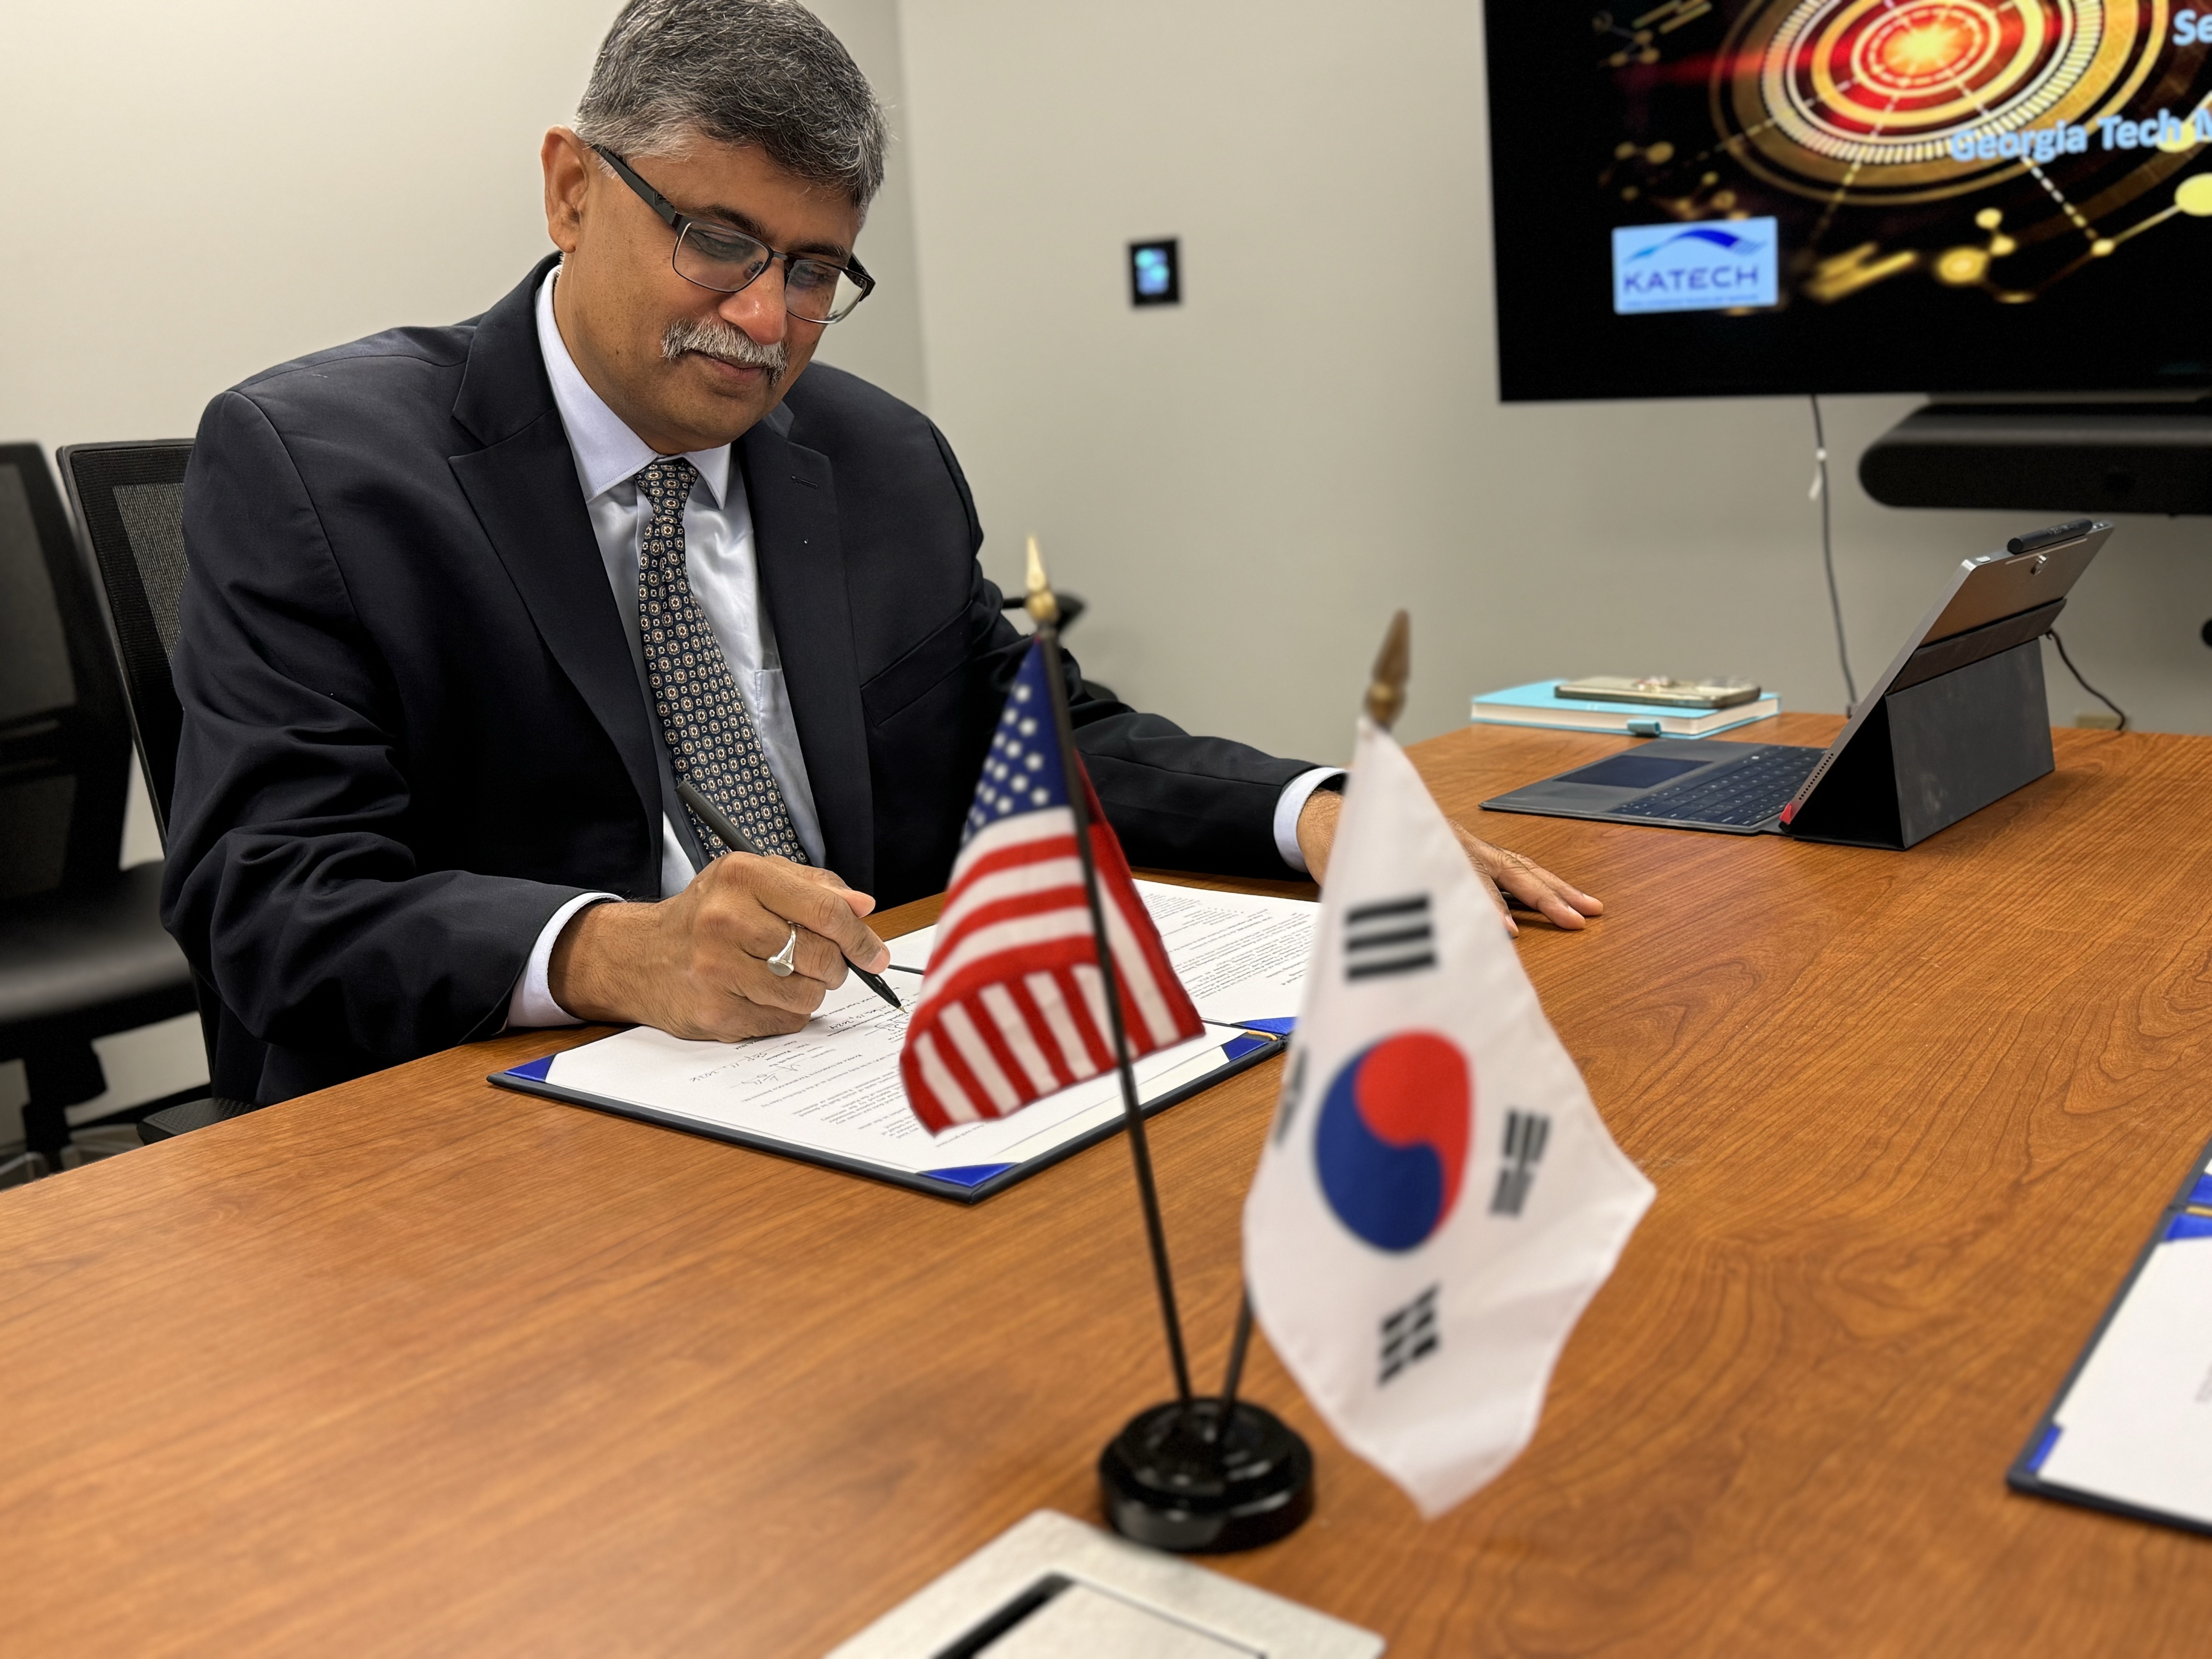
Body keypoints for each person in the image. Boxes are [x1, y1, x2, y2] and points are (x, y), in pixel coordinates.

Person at [165, 0, 1599, 1106]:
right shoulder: (316, 467)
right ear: (571, 190)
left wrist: (1312, 813)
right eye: (718, 241)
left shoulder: (878, 455)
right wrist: (617, 949)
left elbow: (1035, 728)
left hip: (854, 1079)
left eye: (813, 271)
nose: (766, 318)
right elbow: (269, 891)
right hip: (497, 1124)